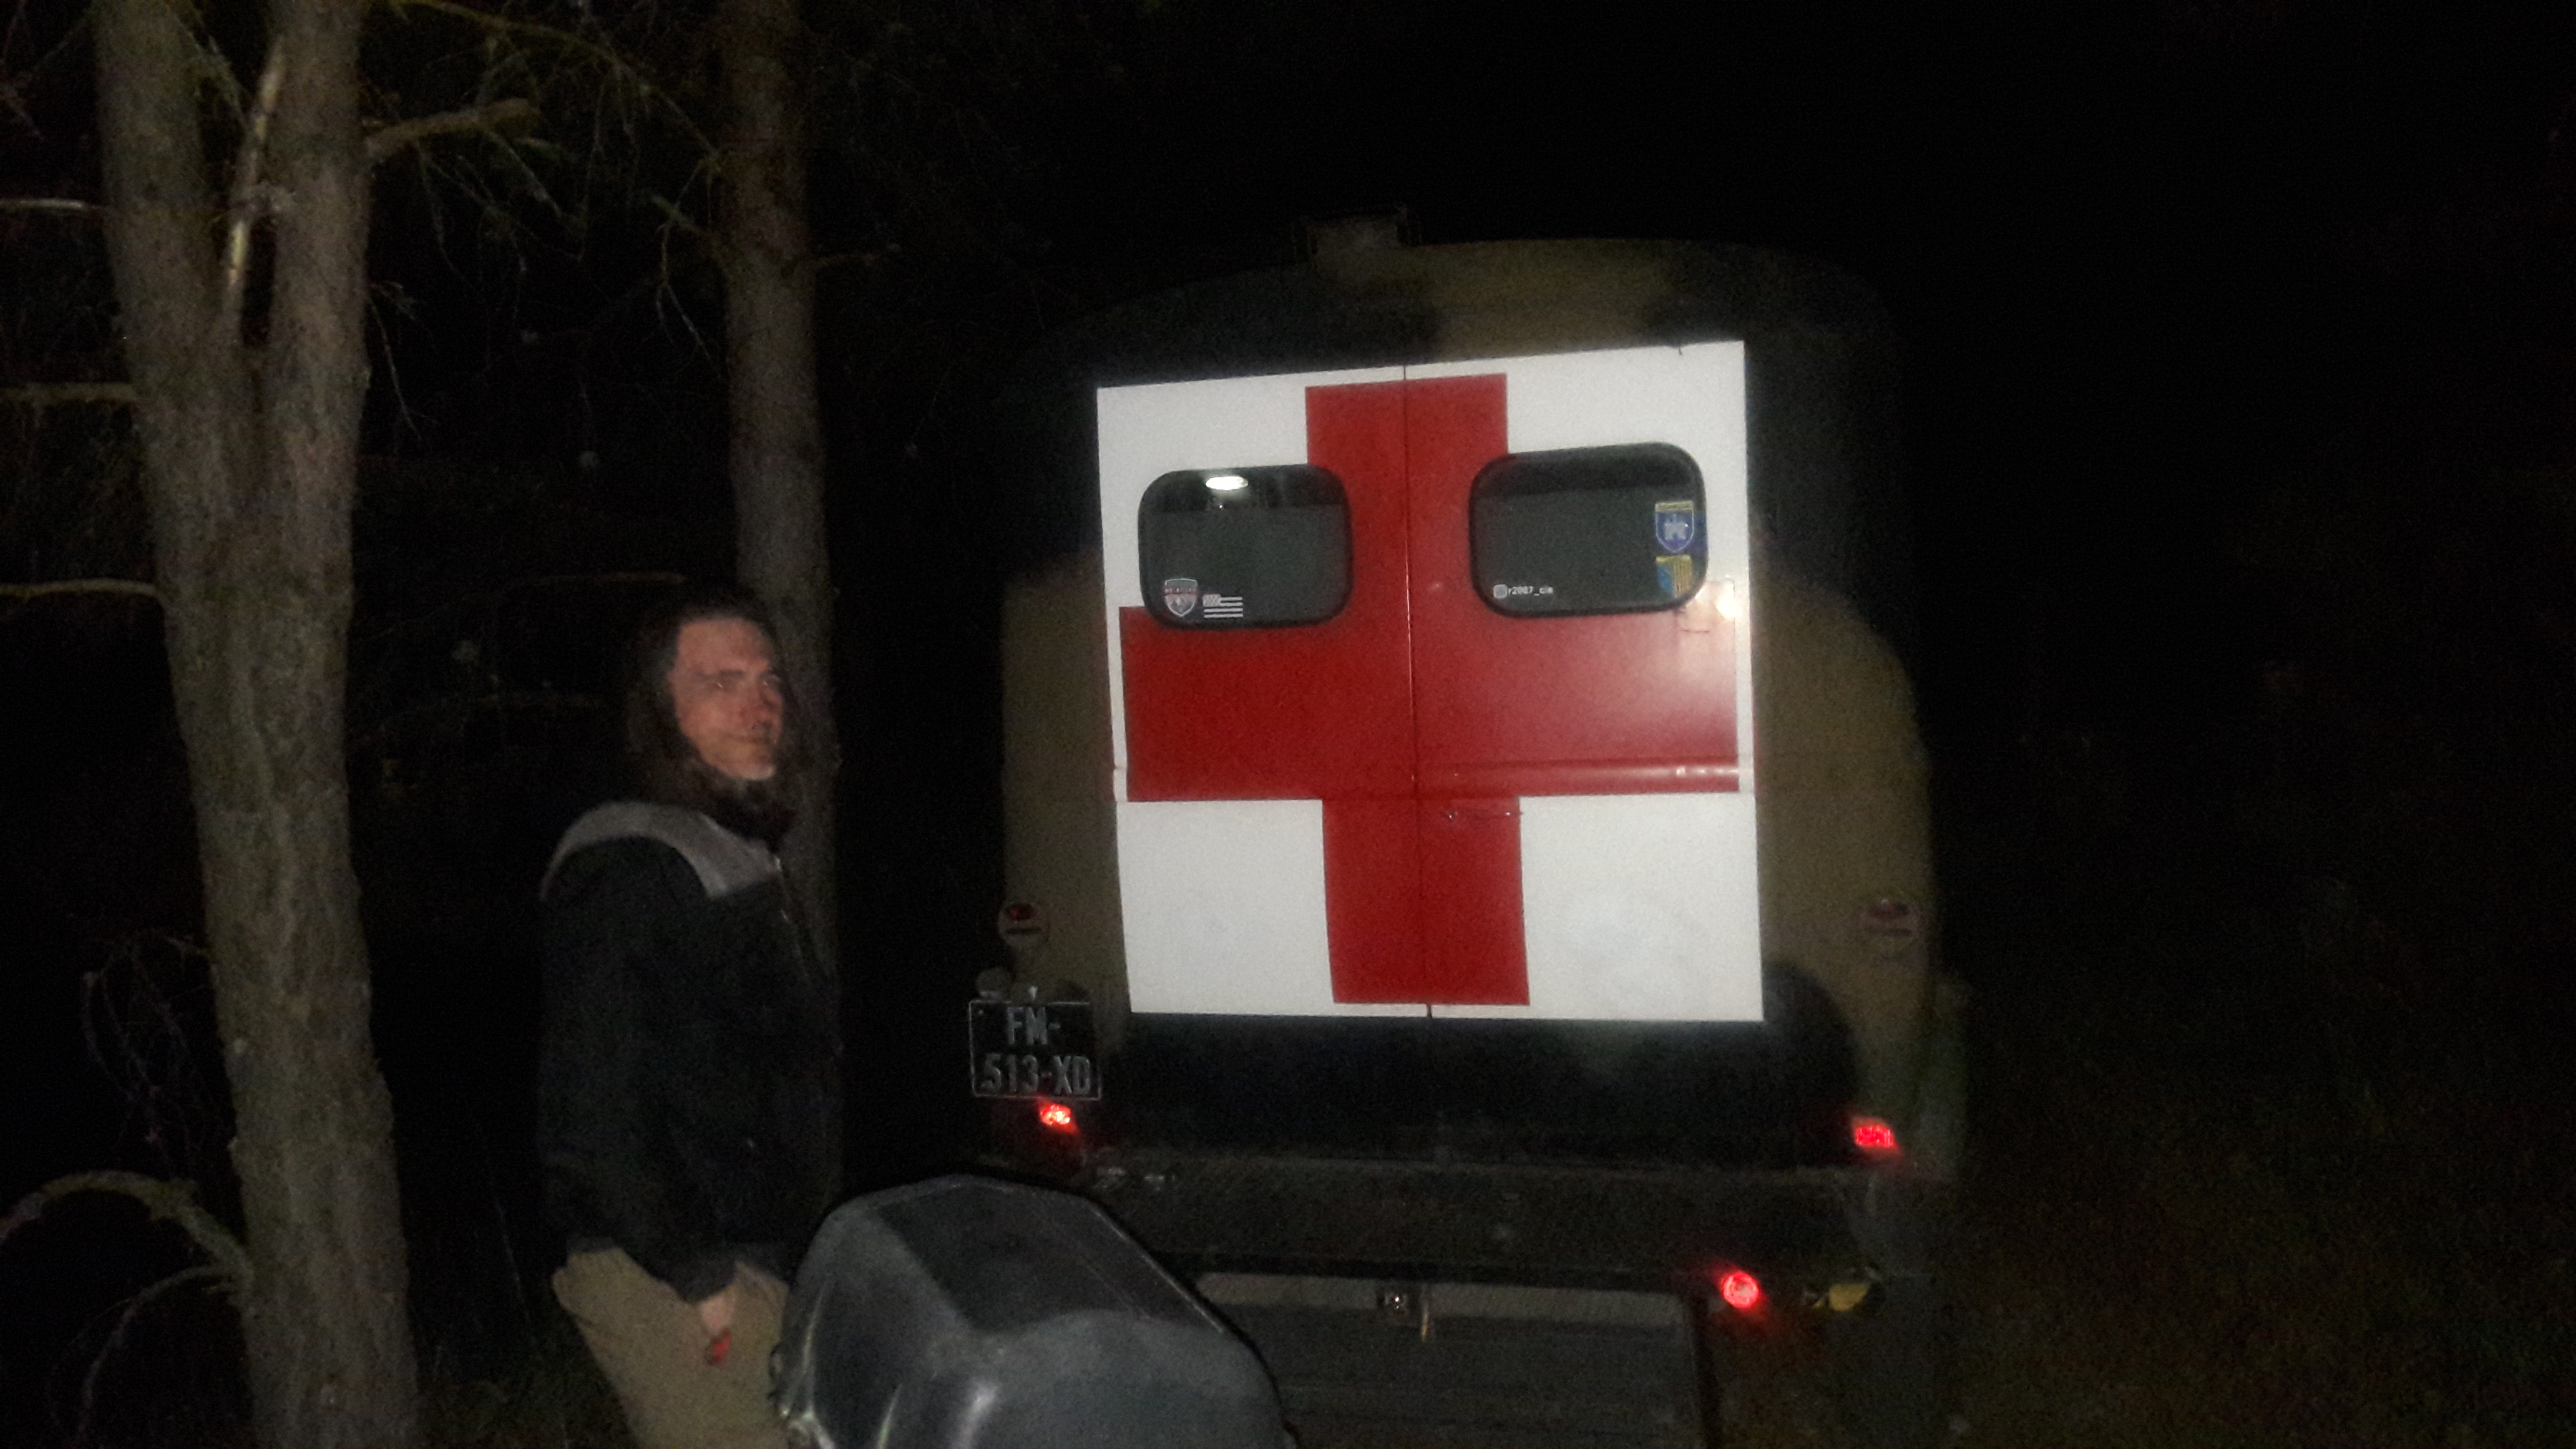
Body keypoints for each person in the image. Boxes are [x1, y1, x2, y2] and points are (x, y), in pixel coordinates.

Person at [537, 587, 840, 1449]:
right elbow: (589, 1104)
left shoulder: (727, 853)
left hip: (755, 1259)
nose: (760, 705)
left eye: (769, 680)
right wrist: (698, 1274)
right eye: (721, 683)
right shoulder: (629, 863)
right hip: (673, 1274)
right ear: (661, 712)